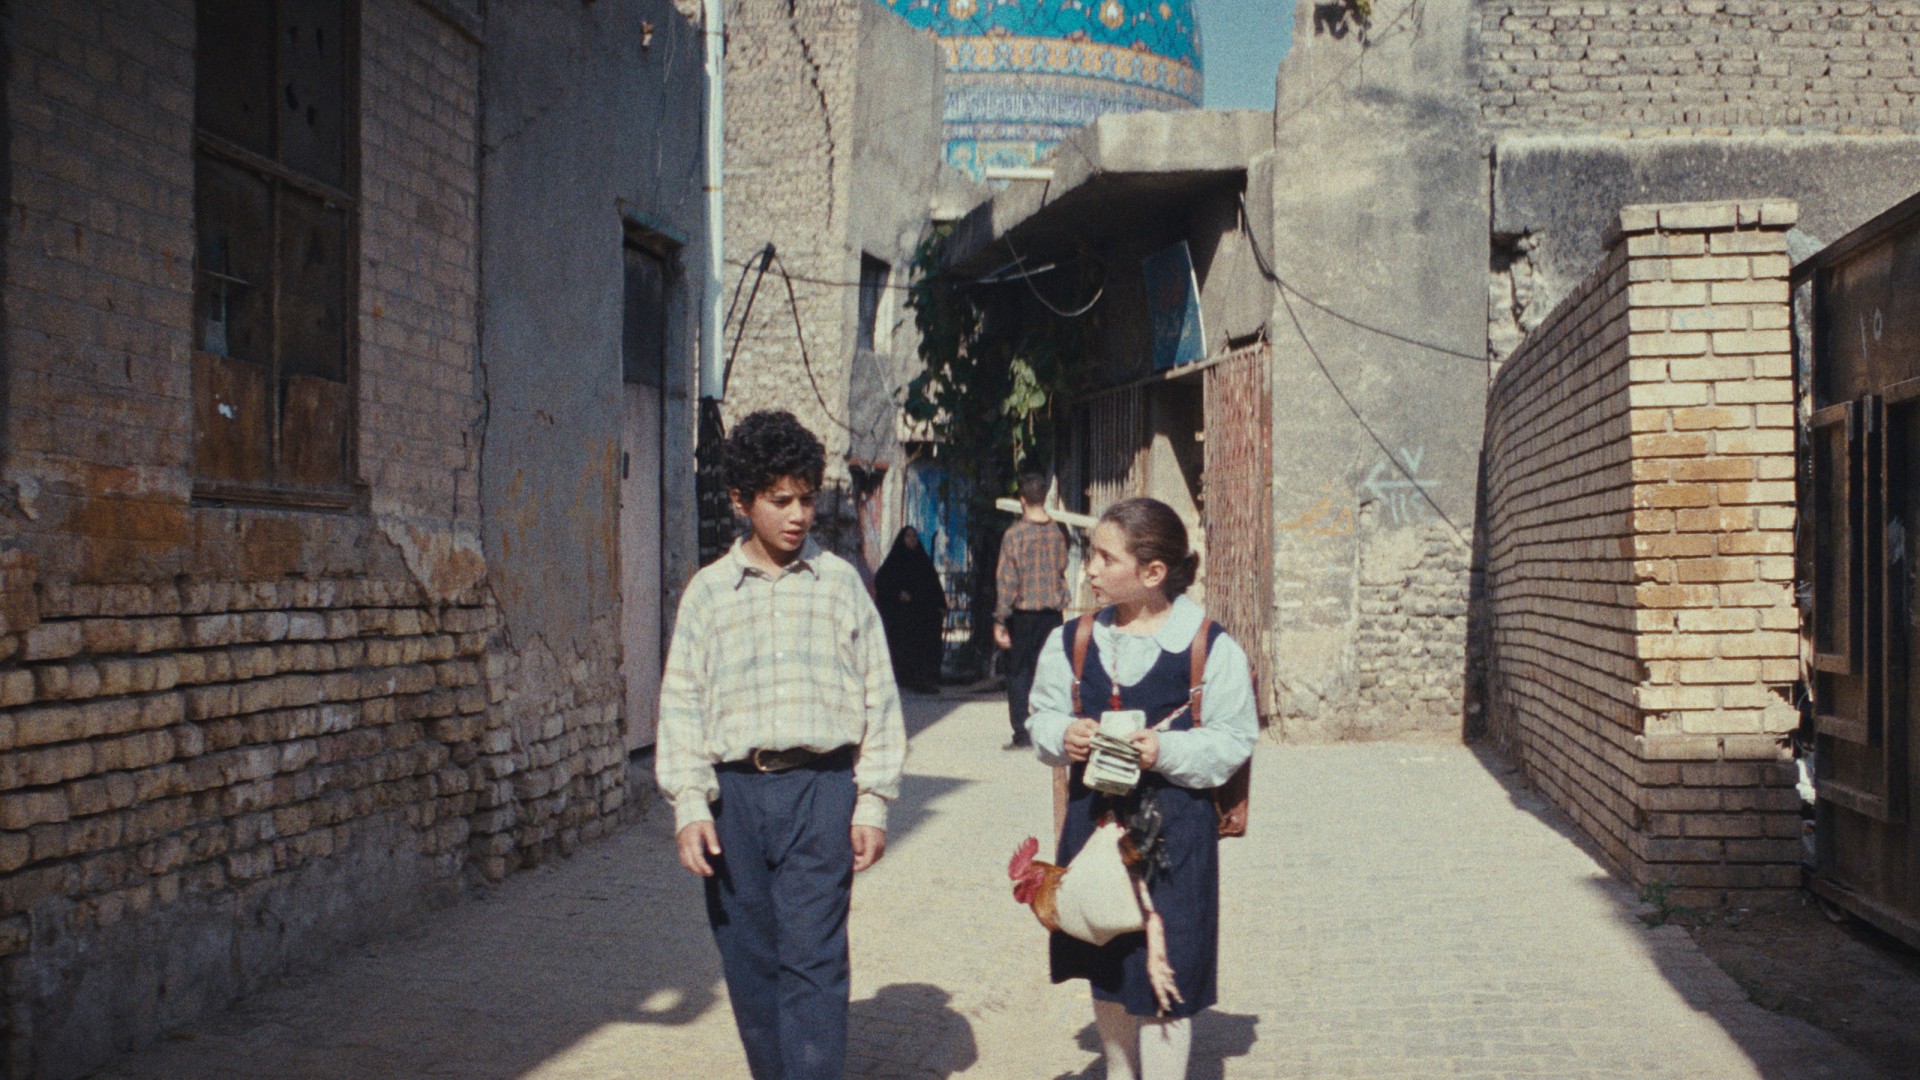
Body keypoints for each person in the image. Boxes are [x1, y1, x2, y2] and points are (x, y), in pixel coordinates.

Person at [656, 409, 907, 1080]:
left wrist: (873, 802)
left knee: (815, 959)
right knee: (749, 960)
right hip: (734, 799)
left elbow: (879, 698)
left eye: (806, 498)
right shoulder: (709, 594)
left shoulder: (841, 585)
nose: (798, 515)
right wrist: (689, 805)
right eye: (780, 500)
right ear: (742, 501)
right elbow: (681, 704)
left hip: (821, 792)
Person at [1025, 497, 1257, 1080]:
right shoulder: (1073, 641)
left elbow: (1234, 740)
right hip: (1095, 825)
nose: (1090, 570)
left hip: (1176, 837)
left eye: (1106, 558)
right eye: (1091, 555)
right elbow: (1041, 719)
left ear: (1153, 572)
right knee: (1106, 962)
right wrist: (1063, 735)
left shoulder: (1209, 647)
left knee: (1166, 974)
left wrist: (1165, 751)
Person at [994, 471, 1071, 748]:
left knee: (1019, 674)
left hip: (1024, 615)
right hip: (1052, 614)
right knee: (1050, 672)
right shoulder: (1058, 532)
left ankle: (1022, 732)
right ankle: (1050, 728)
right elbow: (1063, 566)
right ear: (1045, 497)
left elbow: (1007, 579)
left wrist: (1000, 619)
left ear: (1022, 499)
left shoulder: (1014, 534)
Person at [874, 525, 947, 693]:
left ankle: (925, 677)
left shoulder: (922, 561)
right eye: (908, 536)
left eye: (914, 536)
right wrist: (897, 594)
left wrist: (941, 604)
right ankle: (904, 676)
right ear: (902, 539)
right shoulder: (895, 561)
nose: (912, 539)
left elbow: (934, 584)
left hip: (921, 612)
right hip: (902, 614)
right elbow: (881, 582)